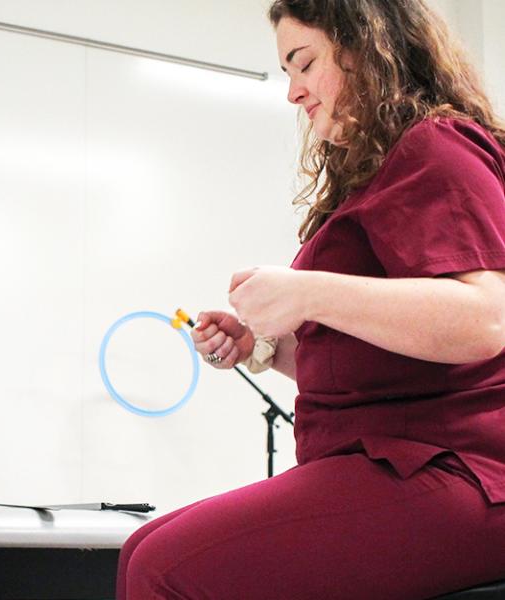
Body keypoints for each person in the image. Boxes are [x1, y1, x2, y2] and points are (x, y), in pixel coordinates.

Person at [116, 1, 505, 598]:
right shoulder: (381, 171)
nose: (293, 93)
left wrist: (308, 291)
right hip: (394, 455)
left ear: (366, 48)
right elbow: (376, 364)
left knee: (162, 567)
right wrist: (262, 349)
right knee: (141, 548)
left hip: (462, 469)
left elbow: (487, 318)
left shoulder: (436, 145)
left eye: (304, 64)